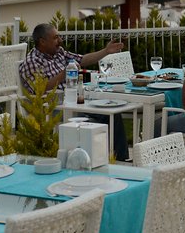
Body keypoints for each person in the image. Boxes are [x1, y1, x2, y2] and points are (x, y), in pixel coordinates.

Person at [19, 22, 130, 160]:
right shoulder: (32, 62)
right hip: (51, 108)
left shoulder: (59, 53)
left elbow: (82, 59)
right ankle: (92, 159)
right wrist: (64, 73)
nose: (60, 41)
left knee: (112, 112)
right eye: (55, 38)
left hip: (73, 101)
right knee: (94, 121)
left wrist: (105, 51)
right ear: (42, 41)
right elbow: (40, 88)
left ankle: (121, 159)